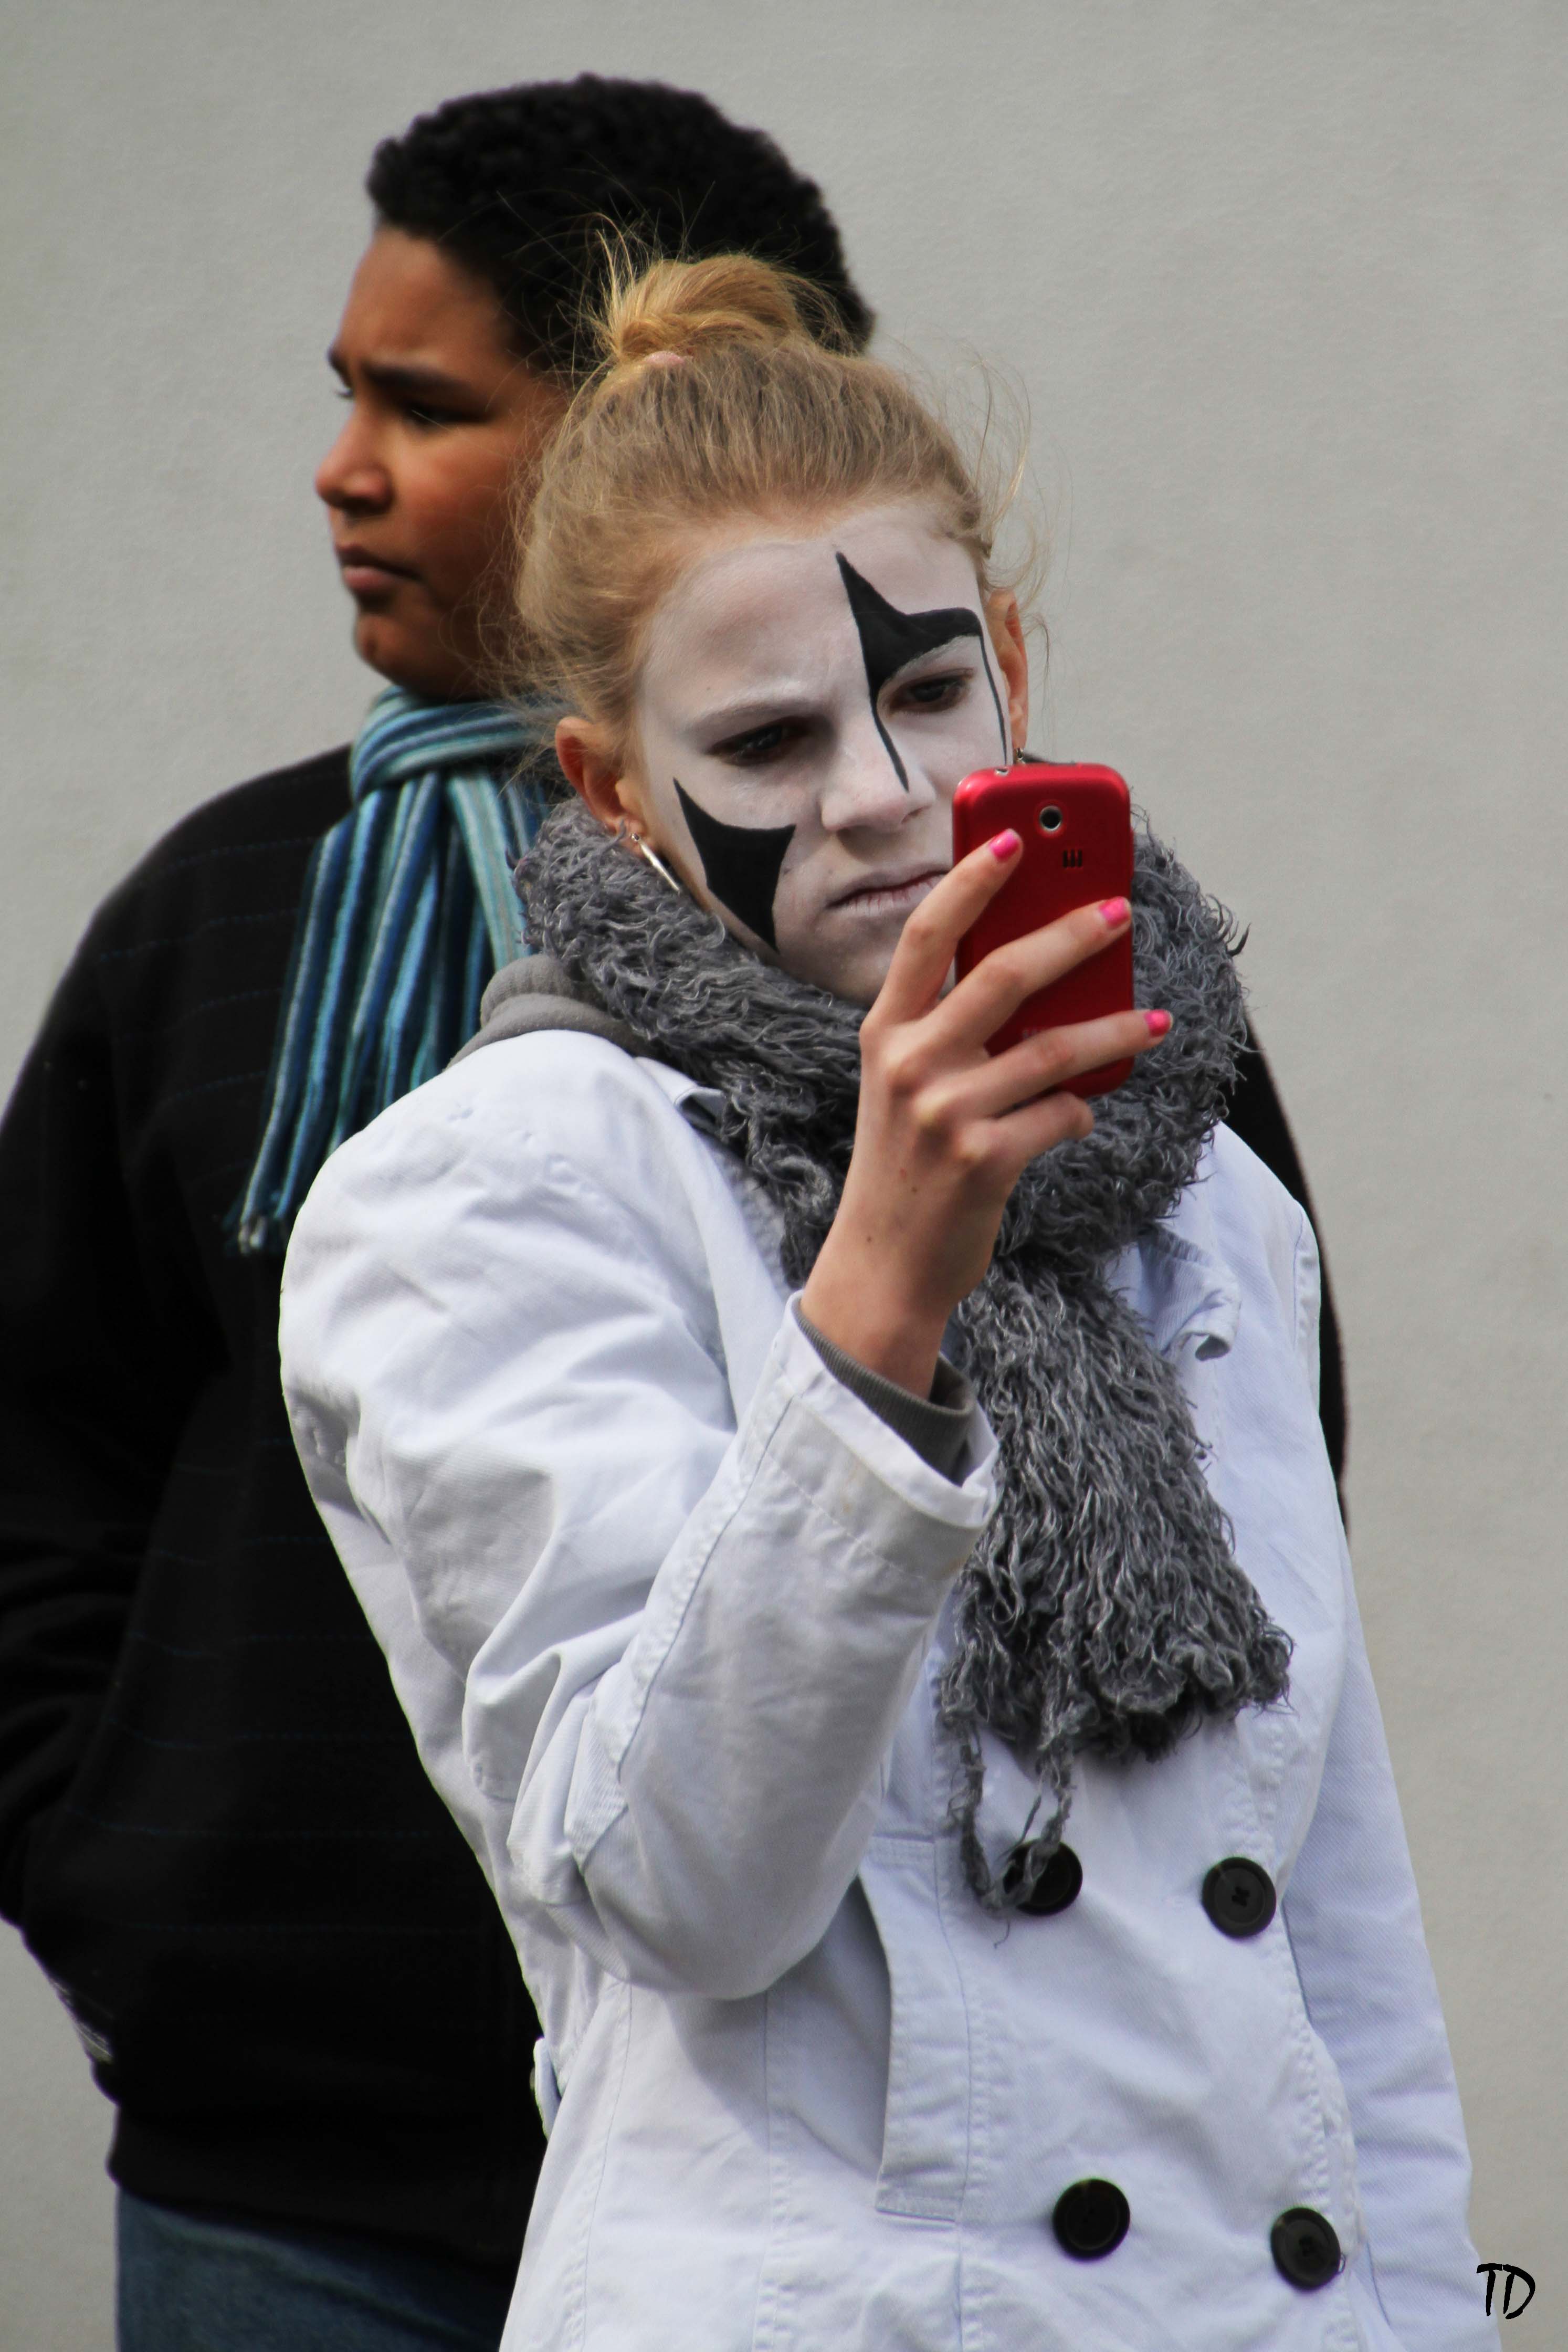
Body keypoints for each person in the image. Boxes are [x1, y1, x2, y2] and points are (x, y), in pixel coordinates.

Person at [280, 255, 1489, 2351]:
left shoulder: (1198, 1189)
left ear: (1009, 665)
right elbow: (680, 1883)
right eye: (765, 737)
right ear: (609, 789)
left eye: (926, 693)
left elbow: (1332, 1927)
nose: (875, 793)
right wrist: (881, 1291)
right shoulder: (487, 1192)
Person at [0, 81, 871, 2352]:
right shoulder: (226, 914)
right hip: (294, 2186)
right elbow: (44, 1439)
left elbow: (1222, 1475)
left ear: (636, 441)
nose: (343, 467)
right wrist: (120, 1874)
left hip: (835, 2170)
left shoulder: (957, 944)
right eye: (347, 395)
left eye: (427, 404)